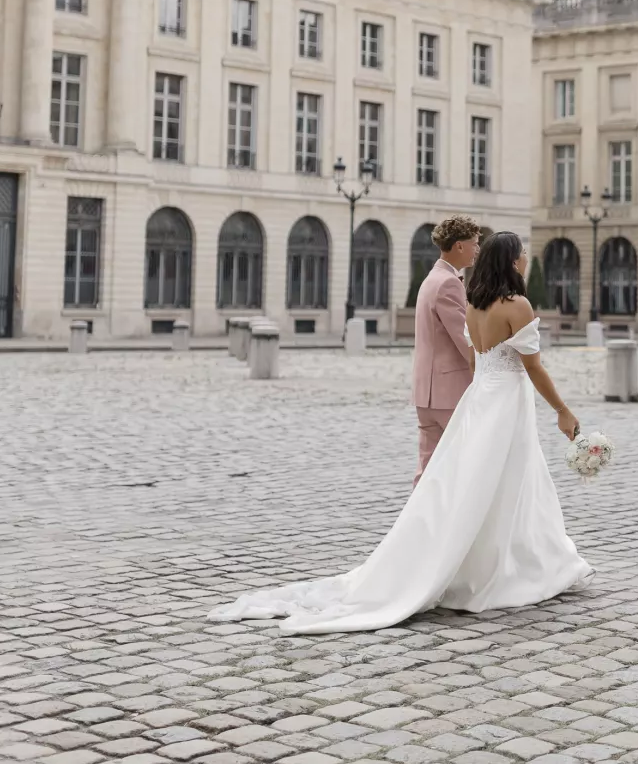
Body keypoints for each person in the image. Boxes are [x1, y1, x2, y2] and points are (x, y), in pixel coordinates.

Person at [209, 231, 592, 633]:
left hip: (480, 400)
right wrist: (563, 411)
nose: (527, 259)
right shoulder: (517, 305)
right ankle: (512, 566)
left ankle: (495, 561)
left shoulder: (476, 305)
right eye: (524, 254)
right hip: (505, 404)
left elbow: (480, 360)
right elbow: (534, 368)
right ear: (513, 261)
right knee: (510, 482)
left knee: (475, 484)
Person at [412, 216, 480, 488]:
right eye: (475, 244)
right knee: (462, 466)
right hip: (448, 393)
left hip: (426, 393)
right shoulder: (449, 283)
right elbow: (465, 339)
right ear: (460, 246)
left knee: (428, 469)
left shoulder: (432, 278)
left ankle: (417, 526)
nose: (477, 250)